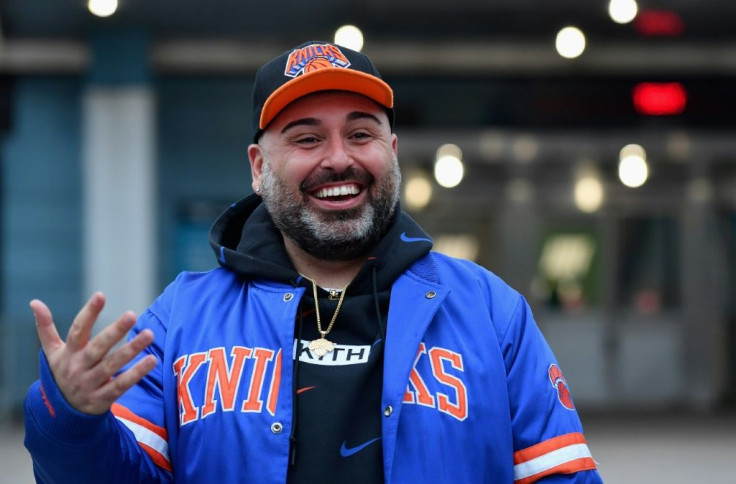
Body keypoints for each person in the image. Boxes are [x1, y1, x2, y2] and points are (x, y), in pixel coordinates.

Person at [24, 40, 603, 484]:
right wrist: (72, 420)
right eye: (306, 139)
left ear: (393, 154)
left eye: (361, 133)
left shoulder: (489, 311)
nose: (338, 159)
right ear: (257, 166)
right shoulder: (182, 318)